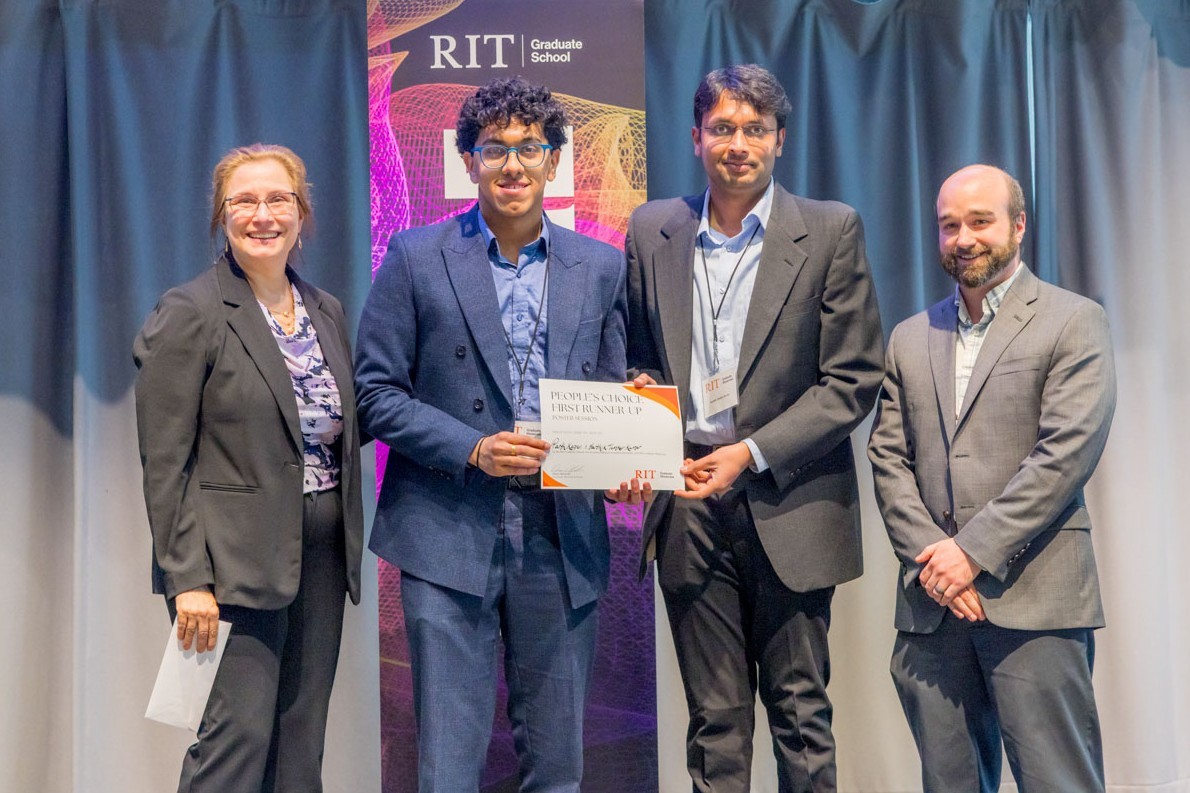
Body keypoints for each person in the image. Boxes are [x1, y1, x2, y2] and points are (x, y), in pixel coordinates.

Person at [354, 76, 628, 792]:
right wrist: (472, 447)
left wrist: (628, 454)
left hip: (561, 534)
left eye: (530, 148)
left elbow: (613, 385)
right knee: (446, 765)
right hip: (446, 532)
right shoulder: (415, 256)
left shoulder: (600, 266)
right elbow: (374, 394)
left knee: (559, 767)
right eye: (493, 148)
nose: (513, 164)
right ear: (468, 160)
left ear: (553, 159)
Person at [625, 64, 884, 792]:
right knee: (715, 719)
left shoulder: (830, 229)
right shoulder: (653, 229)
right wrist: (637, 391)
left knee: (800, 713)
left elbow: (853, 378)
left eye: (754, 129)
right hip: (686, 498)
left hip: (789, 496)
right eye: (723, 128)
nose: (738, 143)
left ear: (778, 140)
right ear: (697, 136)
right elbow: (639, 351)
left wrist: (751, 451)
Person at [867, 163, 1117, 792]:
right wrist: (939, 566)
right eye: (949, 225)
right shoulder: (907, 337)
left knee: (1058, 781)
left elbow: (1065, 454)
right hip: (933, 609)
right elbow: (887, 460)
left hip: (1034, 598)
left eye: (980, 221)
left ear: (1018, 226)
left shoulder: (1073, 319)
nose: (964, 238)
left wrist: (970, 554)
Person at [134, 143, 365, 793]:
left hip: (320, 560)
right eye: (244, 201)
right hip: (228, 572)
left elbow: (332, 427)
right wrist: (189, 582)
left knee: (300, 746)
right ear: (221, 215)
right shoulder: (192, 311)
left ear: (301, 214)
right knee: (235, 745)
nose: (262, 215)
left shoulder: (327, 311)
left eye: (277, 200)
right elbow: (165, 461)